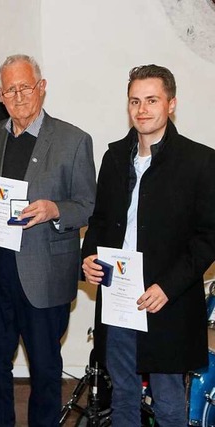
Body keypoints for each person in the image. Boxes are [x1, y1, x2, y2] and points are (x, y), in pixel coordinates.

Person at [0, 54, 96, 426]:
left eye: (25, 87)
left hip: (44, 276)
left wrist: (54, 209)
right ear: (0, 94)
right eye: (10, 89)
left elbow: (87, 205)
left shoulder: (73, 140)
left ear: (42, 87)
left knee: (45, 373)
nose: (18, 95)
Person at [81, 64, 215, 425]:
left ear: (171, 104)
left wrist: (167, 287)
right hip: (118, 295)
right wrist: (89, 255)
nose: (142, 109)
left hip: (165, 300)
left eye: (152, 100)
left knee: (169, 402)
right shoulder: (113, 157)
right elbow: (100, 220)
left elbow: (208, 237)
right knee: (123, 393)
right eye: (134, 101)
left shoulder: (200, 161)